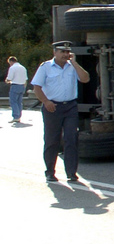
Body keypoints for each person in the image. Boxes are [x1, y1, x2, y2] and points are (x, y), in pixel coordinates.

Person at [31, 41, 90, 183]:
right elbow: (37, 87)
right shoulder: (45, 67)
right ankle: (50, 172)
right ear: (54, 53)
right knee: (52, 140)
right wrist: (46, 101)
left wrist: (75, 63)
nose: (65, 54)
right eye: (62, 52)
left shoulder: (72, 67)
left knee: (71, 138)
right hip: (53, 107)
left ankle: (71, 172)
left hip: (70, 106)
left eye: (67, 52)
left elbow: (85, 78)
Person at [5, 56, 27, 123]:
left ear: (11, 61)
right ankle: (19, 116)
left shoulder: (12, 68)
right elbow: (26, 79)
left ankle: (16, 116)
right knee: (19, 102)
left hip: (15, 85)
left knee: (13, 101)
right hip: (22, 86)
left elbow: (9, 78)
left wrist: (6, 81)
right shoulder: (23, 67)